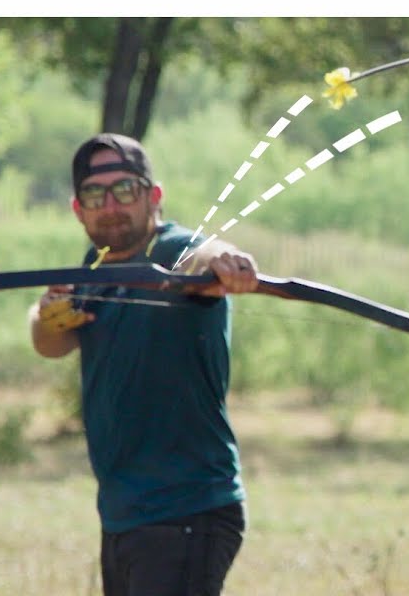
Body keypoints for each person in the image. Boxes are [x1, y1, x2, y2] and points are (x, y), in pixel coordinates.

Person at [28, 133, 259, 596]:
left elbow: (203, 254)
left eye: (126, 190)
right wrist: (46, 314)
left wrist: (225, 262)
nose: (111, 205)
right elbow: (50, 344)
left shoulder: (173, 251)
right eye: (96, 194)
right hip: (124, 512)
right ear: (79, 208)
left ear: (153, 197)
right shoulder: (92, 270)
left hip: (187, 509)